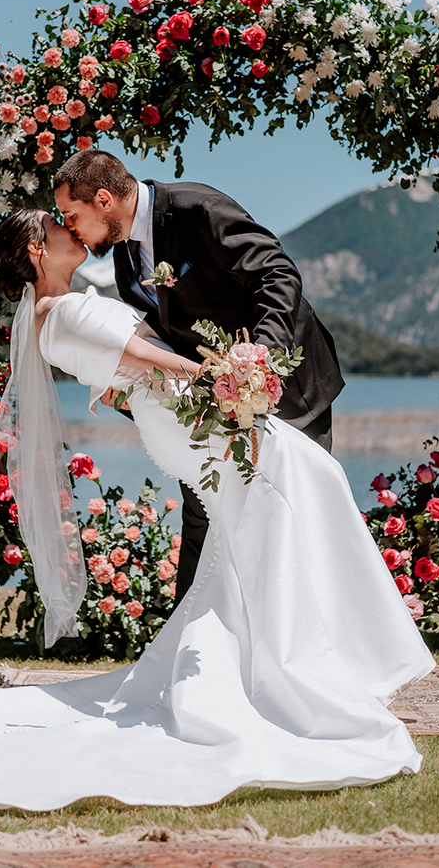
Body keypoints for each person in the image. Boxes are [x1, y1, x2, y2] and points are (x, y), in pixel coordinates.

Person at [0, 207, 434, 810]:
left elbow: (114, 366)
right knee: (295, 476)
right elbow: (148, 357)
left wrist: (135, 384)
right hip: (186, 412)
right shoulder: (64, 311)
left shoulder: (54, 314)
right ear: (34, 251)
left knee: (270, 504)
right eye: (55, 226)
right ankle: (294, 665)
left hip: (173, 419)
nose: (67, 227)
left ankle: (291, 658)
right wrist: (230, 378)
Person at [54, 149, 345, 602]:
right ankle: (187, 652)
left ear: (104, 200)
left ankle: (323, 635)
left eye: (71, 215)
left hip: (289, 390)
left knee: (301, 512)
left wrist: (258, 358)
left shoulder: (199, 209)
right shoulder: (124, 258)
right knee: (202, 515)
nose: (69, 227)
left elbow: (278, 275)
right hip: (214, 409)